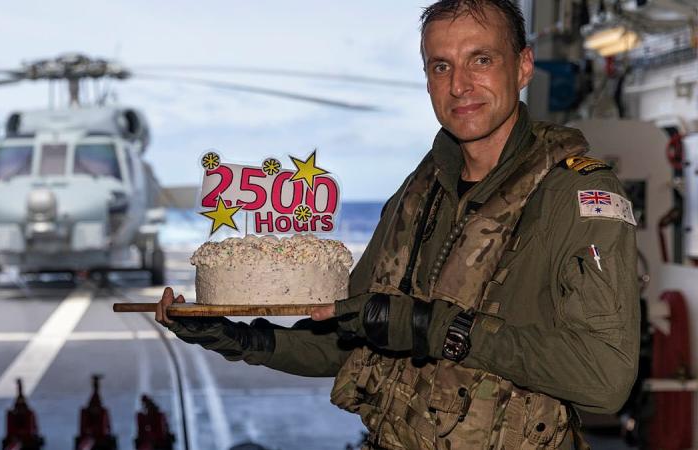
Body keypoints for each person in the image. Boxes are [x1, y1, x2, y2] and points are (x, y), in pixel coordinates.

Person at [156, 1, 640, 448]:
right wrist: (242, 338)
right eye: (441, 66)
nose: (460, 86)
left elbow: (604, 381)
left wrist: (436, 328)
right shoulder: (419, 192)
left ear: (524, 66)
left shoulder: (577, 198)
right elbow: (349, 335)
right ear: (427, 79)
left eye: (482, 60)